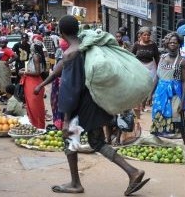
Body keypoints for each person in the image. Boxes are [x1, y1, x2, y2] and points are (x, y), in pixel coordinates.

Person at [52, 15, 149, 195]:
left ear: (61, 32)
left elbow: (70, 89)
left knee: (69, 140)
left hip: (80, 107)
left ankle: (75, 183)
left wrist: (66, 119)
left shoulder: (70, 53)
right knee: (96, 142)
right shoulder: (86, 45)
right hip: (95, 101)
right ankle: (132, 171)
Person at [150, 32, 185, 157]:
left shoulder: (182, 61)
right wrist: (150, 94)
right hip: (160, 94)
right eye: (170, 42)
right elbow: (157, 77)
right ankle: (157, 147)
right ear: (167, 44)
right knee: (157, 119)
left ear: (179, 45)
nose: (172, 44)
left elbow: (184, 82)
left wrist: (183, 101)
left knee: (180, 121)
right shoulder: (162, 58)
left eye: (175, 42)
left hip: (175, 94)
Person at [34, 38, 69, 130]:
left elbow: (53, 75)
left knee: (62, 110)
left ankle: (62, 129)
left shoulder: (64, 60)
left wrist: (40, 86)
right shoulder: (77, 56)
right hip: (66, 87)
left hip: (62, 89)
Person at [130, 26, 160, 114]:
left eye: (148, 35)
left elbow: (156, 57)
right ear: (141, 35)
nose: (146, 37)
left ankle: (143, 105)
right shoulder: (137, 44)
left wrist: (158, 68)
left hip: (151, 66)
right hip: (140, 67)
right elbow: (132, 55)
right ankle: (138, 106)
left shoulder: (153, 45)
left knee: (149, 87)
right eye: (144, 35)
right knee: (140, 87)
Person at [19, 42, 46, 129]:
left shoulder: (35, 56)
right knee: (31, 105)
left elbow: (37, 72)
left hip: (33, 83)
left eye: (32, 46)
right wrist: (25, 69)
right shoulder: (35, 56)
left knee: (34, 106)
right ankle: (36, 125)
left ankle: (37, 126)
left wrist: (24, 72)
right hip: (32, 82)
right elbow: (33, 69)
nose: (30, 47)